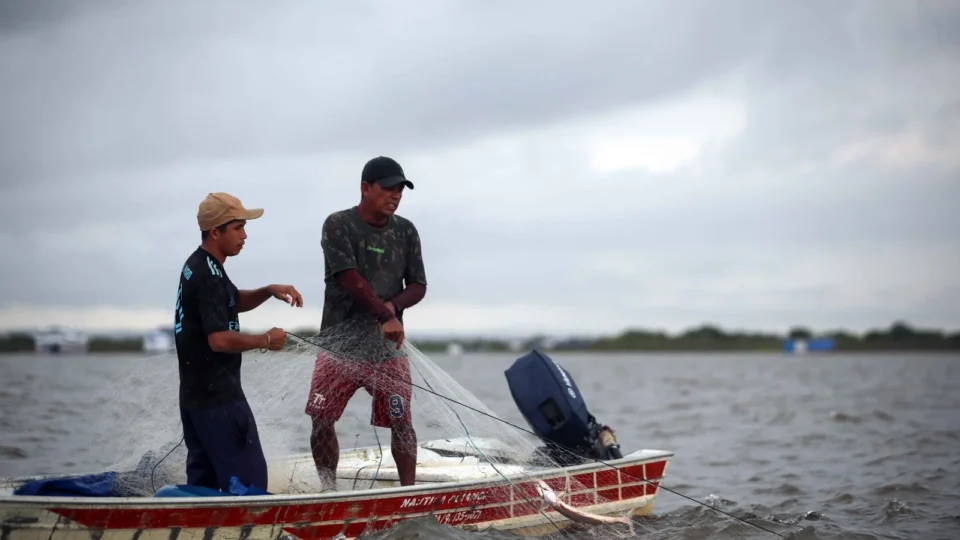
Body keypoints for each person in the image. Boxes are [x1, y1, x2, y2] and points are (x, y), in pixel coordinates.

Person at [306, 156, 428, 489]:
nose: (396, 195)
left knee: (403, 421)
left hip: (387, 349)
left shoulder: (406, 231)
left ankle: (407, 493)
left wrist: (395, 305)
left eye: (400, 189)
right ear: (365, 188)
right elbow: (349, 278)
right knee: (322, 420)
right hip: (337, 345)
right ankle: (328, 491)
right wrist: (385, 314)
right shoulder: (338, 224)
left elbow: (418, 285)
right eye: (388, 188)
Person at [174, 192, 304, 493]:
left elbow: (230, 302)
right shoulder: (208, 275)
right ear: (215, 231)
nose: (245, 236)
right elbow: (218, 340)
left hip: (195, 401)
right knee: (250, 487)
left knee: (203, 489)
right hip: (219, 401)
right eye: (237, 228)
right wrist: (266, 340)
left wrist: (268, 290)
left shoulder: (201, 266)